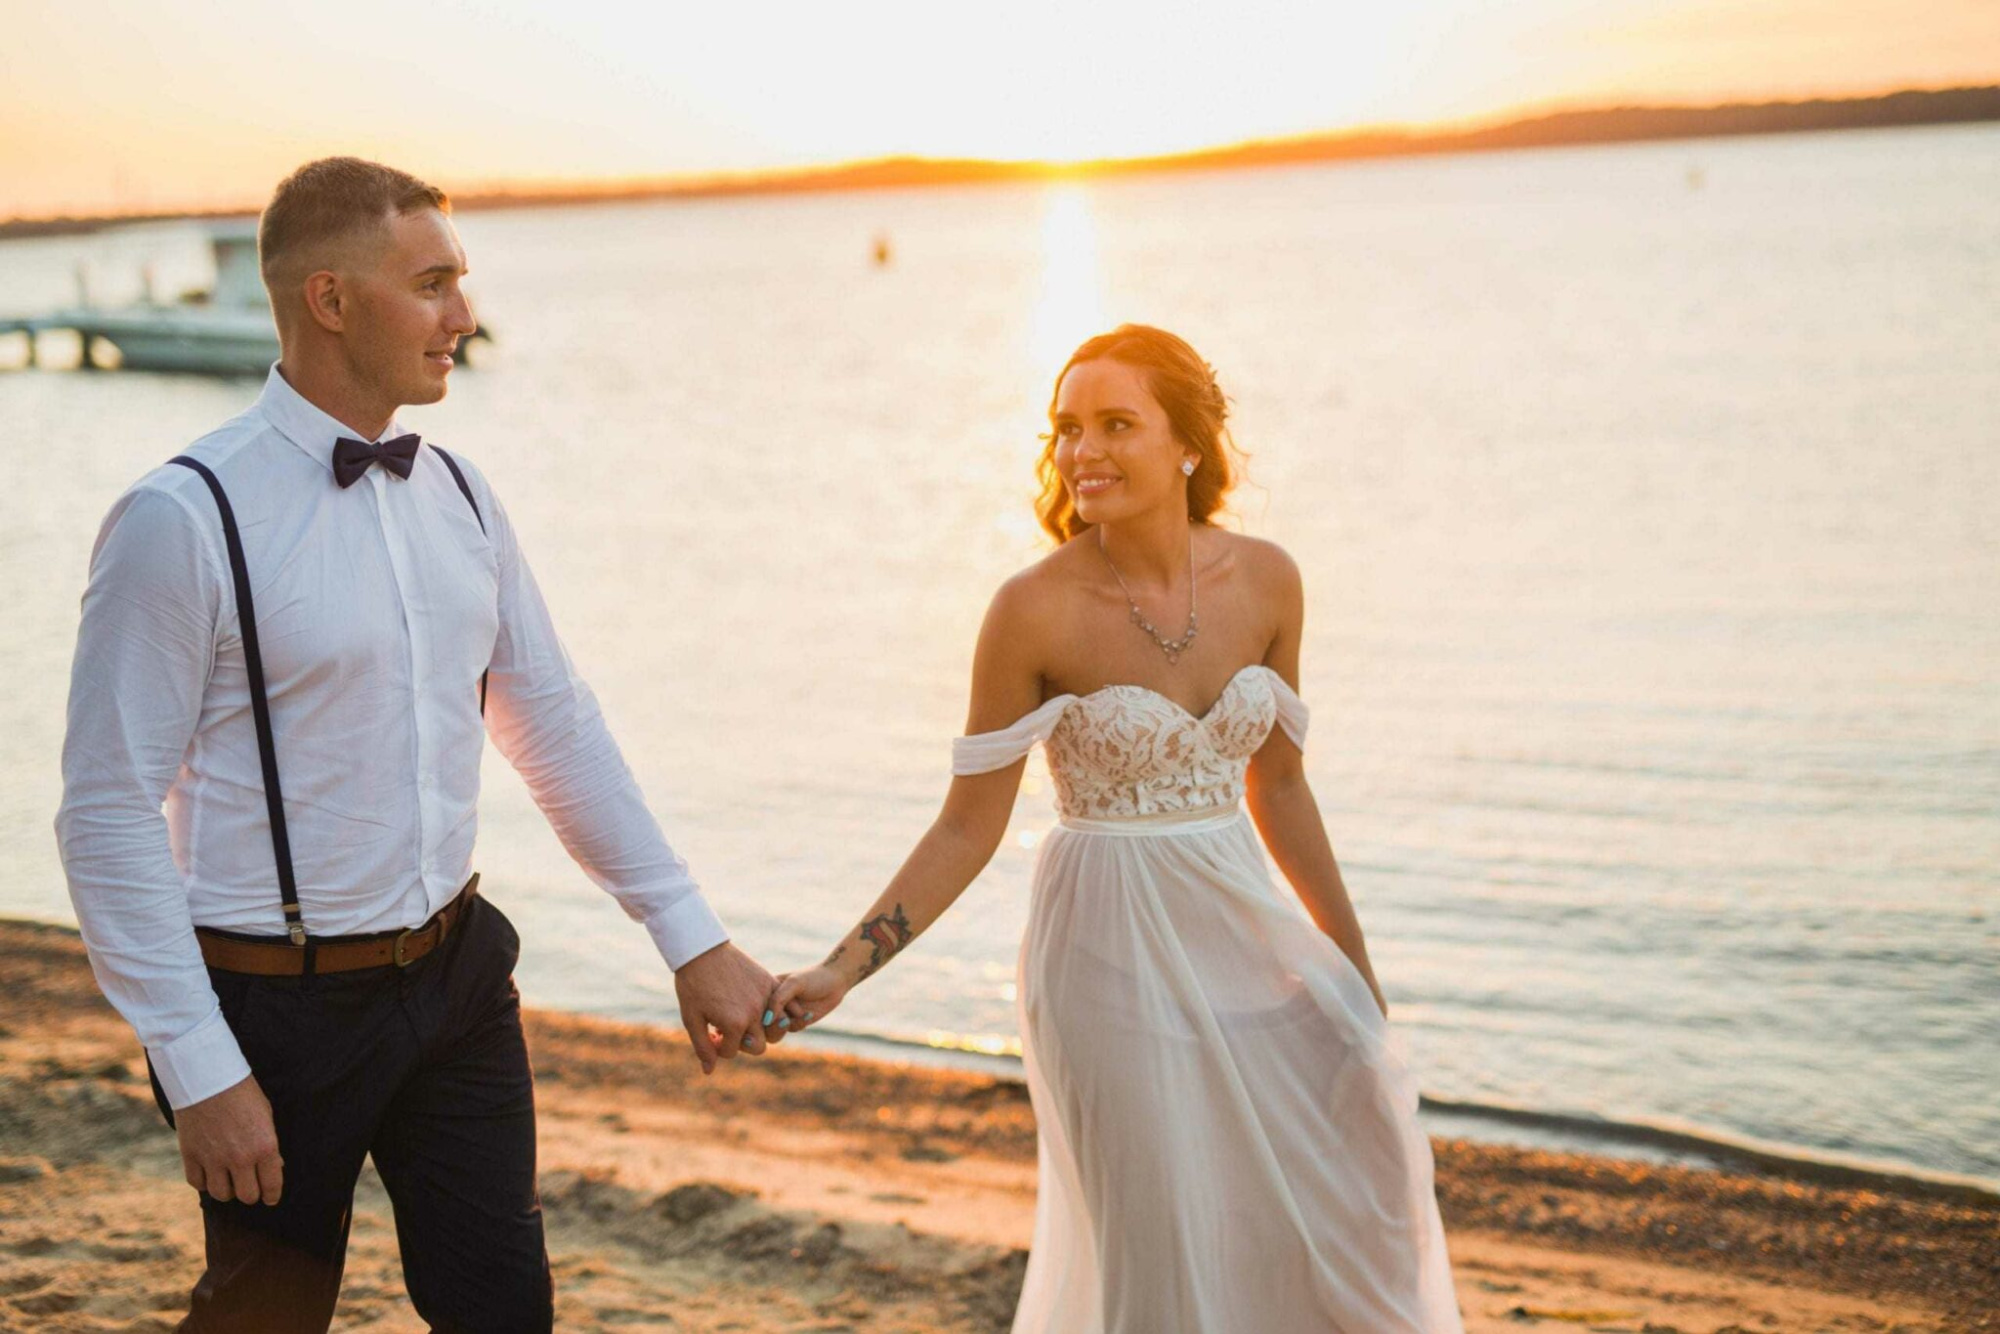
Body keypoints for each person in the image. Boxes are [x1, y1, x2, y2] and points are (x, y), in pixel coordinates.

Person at [53, 156, 787, 1333]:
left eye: (463, 281)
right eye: (433, 282)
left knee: (505, 1309)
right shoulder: (181, 518)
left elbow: (550, 723)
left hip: (455, 981)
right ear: (331, 300)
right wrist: (197, 1060)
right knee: (264, 1317)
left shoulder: (462, 495)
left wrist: (687, 934)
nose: (465, 316)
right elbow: (103, 810)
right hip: (273, 1010)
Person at [771, 324, 1464, 1331]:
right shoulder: (1032, 609)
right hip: (1101, 952)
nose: (1081, 450)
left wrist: (1350, 969)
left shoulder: (1268, 580)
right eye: (1065, 428)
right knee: (1157, 1237)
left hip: (1238, 927)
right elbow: (968, 826)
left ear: (1187, 443)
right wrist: (844, 966)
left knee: (1313, 1195)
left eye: (1114, 424)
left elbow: (1279, 787)